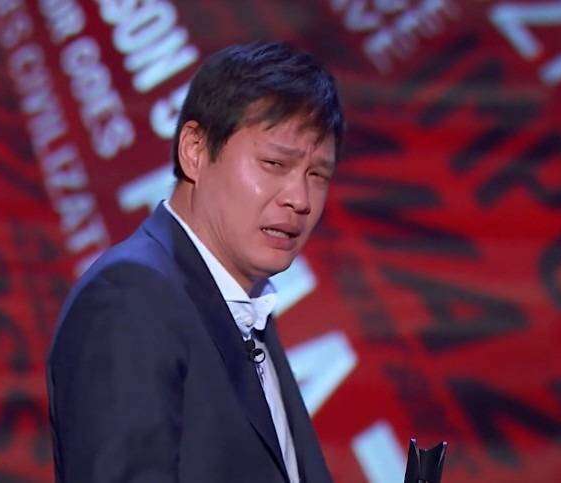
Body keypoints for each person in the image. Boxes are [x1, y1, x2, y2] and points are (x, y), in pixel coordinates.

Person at [47, 41, 345, 483]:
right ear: (195, 150)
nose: (299, 199)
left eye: (317, 175)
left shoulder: (245, 305)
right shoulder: (131, 301)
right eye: (274, 163)